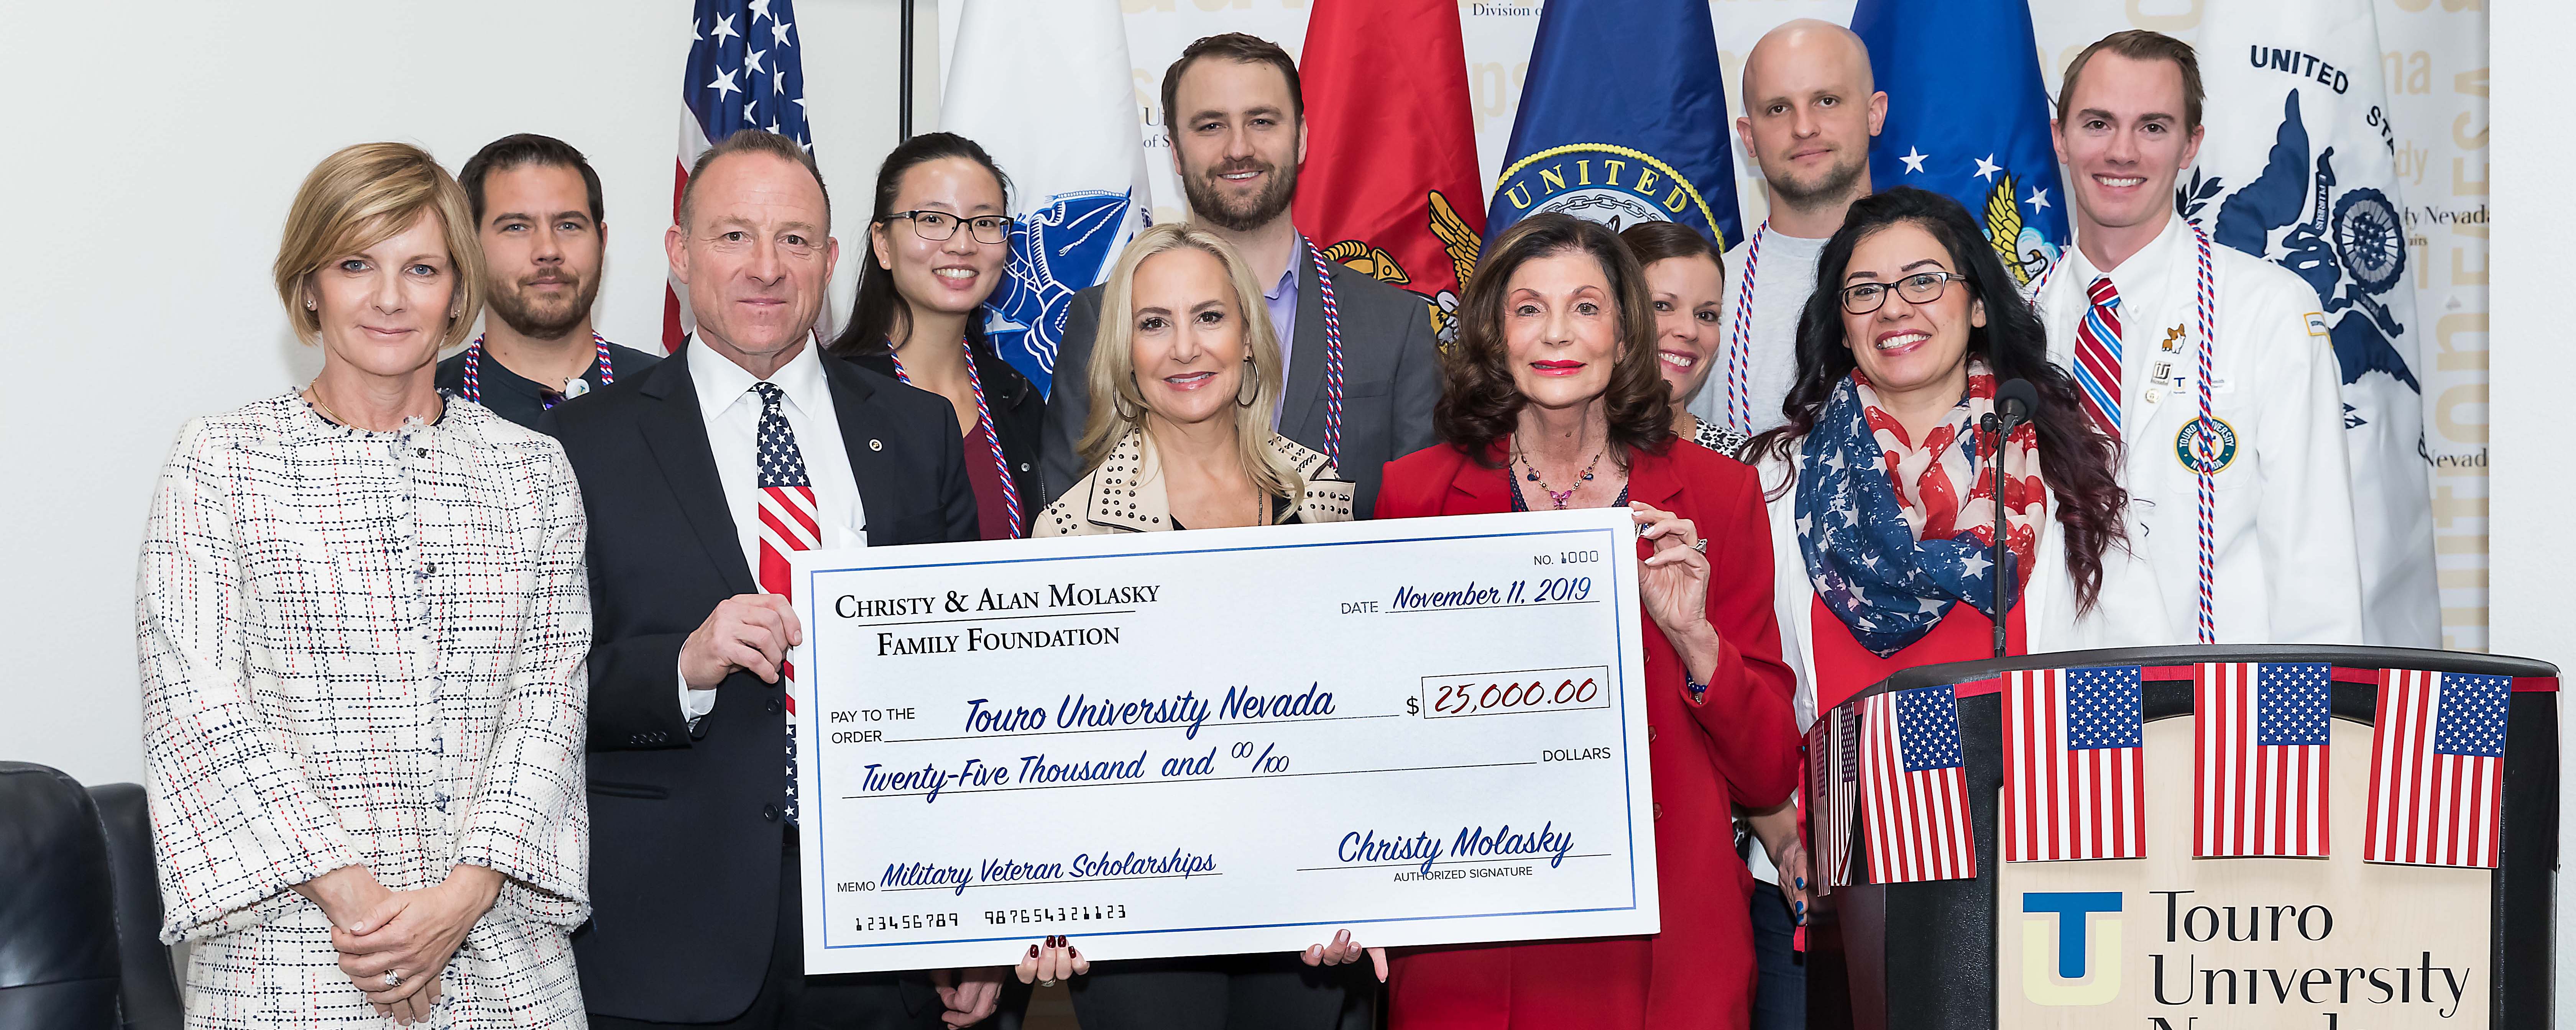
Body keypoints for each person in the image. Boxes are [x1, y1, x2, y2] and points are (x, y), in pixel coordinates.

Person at [539, 131, 996, 1030]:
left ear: (831, 260)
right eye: (734, 236)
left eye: (794, 240)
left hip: (884, 925)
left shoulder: (917, 431)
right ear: (678, 253)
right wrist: (683, 665)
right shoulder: (579, 445)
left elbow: (965, 684)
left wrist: (977, 909)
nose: (766, 268)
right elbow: (537, 689)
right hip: (667, 934)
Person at [138, 141, 590, 1027]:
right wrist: (363, 911)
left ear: (459, 292)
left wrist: (457, 903)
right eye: (356, 265)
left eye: (421, 268)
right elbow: (197, 707)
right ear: (309, 287)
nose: (390, 298)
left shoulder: (533, 472)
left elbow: (551, 703)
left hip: (501, 958)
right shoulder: (221, 461)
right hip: (291, 956)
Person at [1374, 213, 1801, 1030]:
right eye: (1529, 308)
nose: (1558, 333)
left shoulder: (1718, 497)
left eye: (1587, 307)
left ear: (1624, 332)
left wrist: (1696, 640)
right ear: (1495, 334)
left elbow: (1768, 770)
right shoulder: (1415, 496)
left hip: (1667, 945)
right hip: (1476, 948)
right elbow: (1386, 744)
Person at [1028, 223, 1367, 1026]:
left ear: (1250, 338)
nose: (1185, 348)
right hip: (1141, 920)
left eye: (1209, 317)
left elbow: (1360, 721)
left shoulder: (1326, 501)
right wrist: (1040, 900)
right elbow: (1047, 756)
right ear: (1124, 358)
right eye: (1154, 323)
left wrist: (1366, 884)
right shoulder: (1071, 534)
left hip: (1303, 909)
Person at [2035, 31, 2364, 646]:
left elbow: (2315, 560)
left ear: (2191, 145)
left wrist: (2309, 735)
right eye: (2098, 123)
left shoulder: (2270, 310)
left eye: (2154, 127)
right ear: (2060, 137)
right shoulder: (2015, 323)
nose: (2123, 152)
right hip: (2052, 715)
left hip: (2221, 717)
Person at [1042, 32, 1441, 517]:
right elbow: (1070, 518)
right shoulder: (1102, 316)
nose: (1238, 148)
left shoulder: (1394, 324)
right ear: (1174, 152)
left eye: (1262, 121)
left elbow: (1421, 528)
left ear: (1302, 139)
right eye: (1210, 125)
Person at [830, 132, 1043, 539]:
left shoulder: (1018, 399)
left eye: (984, 223)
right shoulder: (833, 397)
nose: (962, 244)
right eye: (932, 220)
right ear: (883, 244)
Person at [1687, 19, 1887, 442]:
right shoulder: (1704, 300)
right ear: (1749, 138)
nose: (1803, 127)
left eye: (1827, 101)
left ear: (1875, 114)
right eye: (1778, 109)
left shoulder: (1956, 276)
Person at [437, 133, 661, 427]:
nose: (548, 250)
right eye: (516, 227)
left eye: (569, 225)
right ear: (469, 248)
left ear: (602, 242)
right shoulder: (425, 405)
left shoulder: (673, 394)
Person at [1620, 222, 1741, 456]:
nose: (1690, 330)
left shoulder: (1745, 462)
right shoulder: (1548, 455)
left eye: (1706, 315)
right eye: (1662, 306)